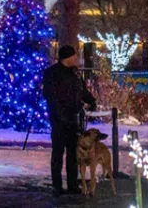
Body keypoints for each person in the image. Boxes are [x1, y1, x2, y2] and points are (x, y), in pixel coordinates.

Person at [43, 44, 97, 196]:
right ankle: (57, 185)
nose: (76, 58)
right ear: (67, 57)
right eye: (74, 55)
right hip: (59, 119)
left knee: (73, 153)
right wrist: (60, 115)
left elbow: (82, 91)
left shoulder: (75, 73)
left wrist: (91, 100)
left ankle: (73, 184)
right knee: (58, 153)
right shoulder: (52, 73)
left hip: (74, 118)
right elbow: (50, 96)